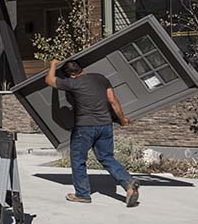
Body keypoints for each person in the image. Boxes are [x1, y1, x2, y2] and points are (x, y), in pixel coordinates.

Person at [45, 59, 140, 207]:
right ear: (81, 69)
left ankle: (82, 195)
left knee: (78, 159)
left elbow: (49, 80)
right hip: (105, 125)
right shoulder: (101, 78)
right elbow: (112, 100)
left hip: (85, 128)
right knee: (107, 158)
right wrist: (122, 119)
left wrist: (52, 65)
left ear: (71, 76)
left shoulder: (73, 83)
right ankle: (128, 184)